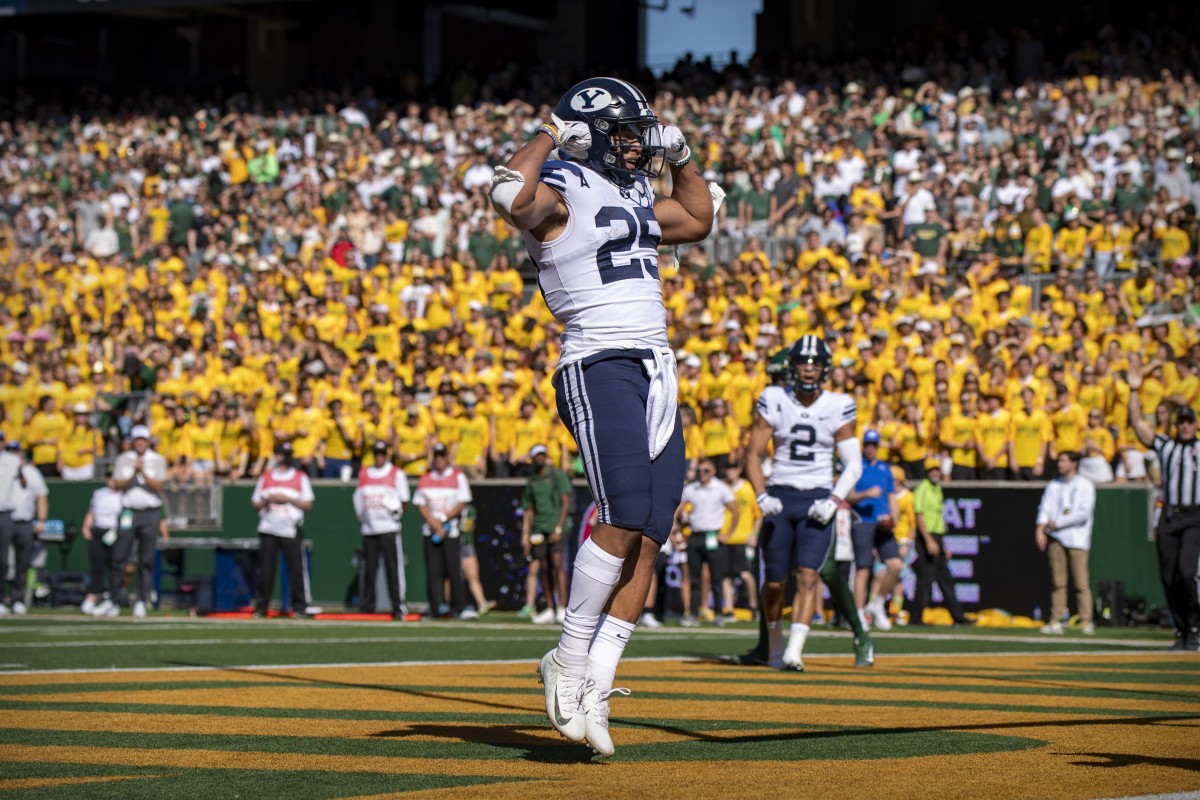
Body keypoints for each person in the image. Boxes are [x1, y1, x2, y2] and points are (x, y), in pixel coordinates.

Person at [491, 76, 715, 757]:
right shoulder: (562, 181)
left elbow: (700, 218)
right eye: (624, 131)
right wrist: (553, 131)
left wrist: (681, 157)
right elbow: (510, 196)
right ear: (587, 133)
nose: (635, 143)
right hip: (599, 359)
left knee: (650, 532)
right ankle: (566, 657)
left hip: (656, 367)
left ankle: (597, 683)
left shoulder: (637, 190)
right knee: (619, 514)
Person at [744, 335, 870, 671]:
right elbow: (753, 454)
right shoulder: (773, 397)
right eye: (803, 362)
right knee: (773, 582)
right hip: (781, 497)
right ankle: (773, 645)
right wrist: (761, 494)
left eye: (815, 364)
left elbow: (853, 464)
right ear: (793, 366)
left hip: (816, 497)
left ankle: (794, 653)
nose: (809, 370)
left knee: (810, 575)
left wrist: (833, 500)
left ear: (826, 369)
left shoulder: (838, 404)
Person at [1127, 365, 1200, 651]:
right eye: (1180, 420)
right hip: (1170, 516)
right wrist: (1134, 390)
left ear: (1195, 424)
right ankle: (1181, 631)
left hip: (1195, 516)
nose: (1184, 425)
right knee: (1168, 576)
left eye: (1188, 421)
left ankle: (1195, 626)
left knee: (1186, 571)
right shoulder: (1167, 446)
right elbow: (1138, 425)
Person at [1035, 451, 1097, 635]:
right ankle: (1057, 619)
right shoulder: (1054, 484)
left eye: (1063, 461)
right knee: (1058, 582)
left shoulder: (1085, 485)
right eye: (1059, 461)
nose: (1060, 464)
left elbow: (1083, 513)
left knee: (1081, 583)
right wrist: (1040, 529)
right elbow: (1045, 507)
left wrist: (1058, 522)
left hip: (1078, 539)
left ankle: (1086, 620)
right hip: (1056, 538)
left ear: (1074, 463)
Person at [250, 441, 314, 619]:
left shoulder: (300, 477)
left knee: (296, 570)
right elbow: (255, 503)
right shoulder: (267, 477)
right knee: (266, 571)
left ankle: (300, 606)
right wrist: (268, 500)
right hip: (269, 528)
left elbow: (308, 503)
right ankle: (261, 607)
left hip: (290, 529)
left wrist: (288, 499)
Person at [673, 457, 739, 626]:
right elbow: (677, 510)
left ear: (714, 471)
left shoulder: (721, 488)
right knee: (695, 578)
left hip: (713, 535)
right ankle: (693, 613)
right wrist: (675, 531)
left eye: (706, 470)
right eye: (700, 470)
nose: (702, 474)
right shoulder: (691, 489)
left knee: (716, 577)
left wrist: (727, 534)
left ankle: (719, 613)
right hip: (695, 535)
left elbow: (735, 511)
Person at [847, 429, 902, 631]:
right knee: (863, 569)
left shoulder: (885, 469)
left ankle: (877, 603)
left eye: (874, 444)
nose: (870, 448)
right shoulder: (856, 467)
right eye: (868, 444)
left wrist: (894, 517)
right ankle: (860, 613)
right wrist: (865, 494)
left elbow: (891, 497)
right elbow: (848, 496)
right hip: (863, 520)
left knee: (896, 566)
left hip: (882, 523)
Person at [111, 425, 168, 618]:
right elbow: (117, 484)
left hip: (150, 513)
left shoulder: (157, 460)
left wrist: (142, 473)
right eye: (137, 439)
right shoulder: (123, 458)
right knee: (119, 556)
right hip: (128, 511)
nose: (141, 443)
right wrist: (132, 474)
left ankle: (142, 600)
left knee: (146, 559)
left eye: (144, 439)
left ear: (148, 441)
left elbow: (159, 486)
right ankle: (116, 600)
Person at [352, 441, 411, 619]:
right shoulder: (364, 473)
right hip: (369, 528)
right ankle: (367, 606)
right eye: (376, 453)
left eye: (382, 453)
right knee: (370, 569)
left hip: (388, 528)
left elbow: (405, 499)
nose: (379, 457)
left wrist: (397, 515)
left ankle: (398, 605)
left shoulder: (396, 473)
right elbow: (358, 499)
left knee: (393, 569)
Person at [412, 443, 472, 620]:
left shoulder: (457, 477)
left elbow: (462, 502)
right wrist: (434, 523)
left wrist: (443, 521)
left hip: (450, 531)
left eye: (441, 456)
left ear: (446, 458)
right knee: (432, 572)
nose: (439, 459)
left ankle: (457, 607)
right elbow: (420, 503)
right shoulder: (425, 478)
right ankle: (434, 607)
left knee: (453, 571)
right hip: (431, 531)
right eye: (436, 456)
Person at [910, 459, 971, 626]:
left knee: (946, 579)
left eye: (937, 469)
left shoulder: (937, 489)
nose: (935, 473)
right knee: (925, 580)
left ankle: (958, 616)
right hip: (925, 537)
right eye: (932, 470)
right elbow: (919, 516)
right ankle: (915, 617)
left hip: (937, 536)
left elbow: (938, 518)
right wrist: (929, 540)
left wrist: (943, 545)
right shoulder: (923, 489)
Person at [520, 444, 573, 624]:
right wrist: (526, 534)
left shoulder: (557, 475)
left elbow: (566, 502)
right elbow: (529, 509)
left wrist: (558, 528)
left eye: (542, 454)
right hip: (539, 530)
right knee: (544, 568)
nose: (540, 458)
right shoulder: (532, 480)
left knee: (558, 565)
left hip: (555, 527)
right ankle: (550, 607)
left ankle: (562, 607)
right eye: (536, 456)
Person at [0, 441, 48, 615]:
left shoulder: (30, 472)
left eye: (15, 450)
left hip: (24, 521)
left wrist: (42, 519)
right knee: (2, 561)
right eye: (9, 450)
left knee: (23, 562)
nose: (13, 453)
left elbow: (40, 494)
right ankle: (1, 598)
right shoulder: (3, 468)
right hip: (5, 518)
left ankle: (18, 598)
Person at [80, 469, 125, 617]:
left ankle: (113, 600)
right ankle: (91, 597)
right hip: (98, 532)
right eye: (109, 476)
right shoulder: (99, 493)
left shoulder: (123, 495)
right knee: (97, 566)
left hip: (115, 533)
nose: (111, 480)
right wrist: (86, 526)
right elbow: (92, 511)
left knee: (115, 567)